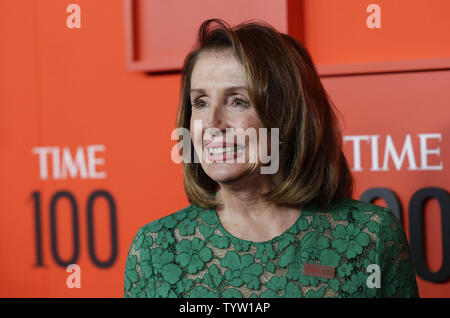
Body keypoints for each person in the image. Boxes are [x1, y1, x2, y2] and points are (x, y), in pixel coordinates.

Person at [124, 19, 419, 298]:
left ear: (287, 116)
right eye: (200, 102)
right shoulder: (156, 248)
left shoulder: (371, 235)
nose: (212, 123)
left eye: (238, 101)